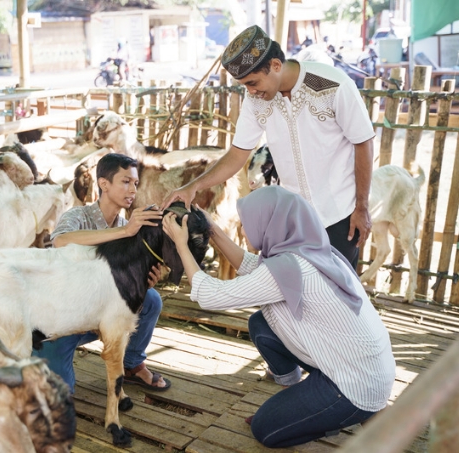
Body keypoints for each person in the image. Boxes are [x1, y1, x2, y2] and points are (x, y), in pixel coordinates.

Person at [162, 186, 395, 448]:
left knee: (266, 430)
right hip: (365, 370)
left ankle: (328, 418)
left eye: (247, 223)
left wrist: (181, 245)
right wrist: (212, 229)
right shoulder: (311, 249)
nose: (241, 230)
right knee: (261, 324)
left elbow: (210, 295)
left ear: (270, 224)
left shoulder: (289, 266)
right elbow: (251, 266)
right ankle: (299, 402)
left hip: (353, 386)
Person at [161, 24, 375, 268]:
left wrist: (362, 207)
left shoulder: (332, 85)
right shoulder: (256, 100)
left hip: (340, 215)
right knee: (292, 294)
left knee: (335, 297)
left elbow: (363, 143)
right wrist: (194, 186)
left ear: (275, 65)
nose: (251, 91)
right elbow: (237, 154)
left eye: (253, 82)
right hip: (295, 220)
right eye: (245, 86)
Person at [33, 153, 171, 392]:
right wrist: (126, 232)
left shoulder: (126, 226)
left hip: (101, 315)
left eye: (135, 183)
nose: (132, 190)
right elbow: (61, 241)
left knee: (150, 300)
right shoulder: (78, 216)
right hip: (63, 319)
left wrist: (143, 281)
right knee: (61, 393)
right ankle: (30, 356)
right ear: (104, 184)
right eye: (125, 181)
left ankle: (132, 364)